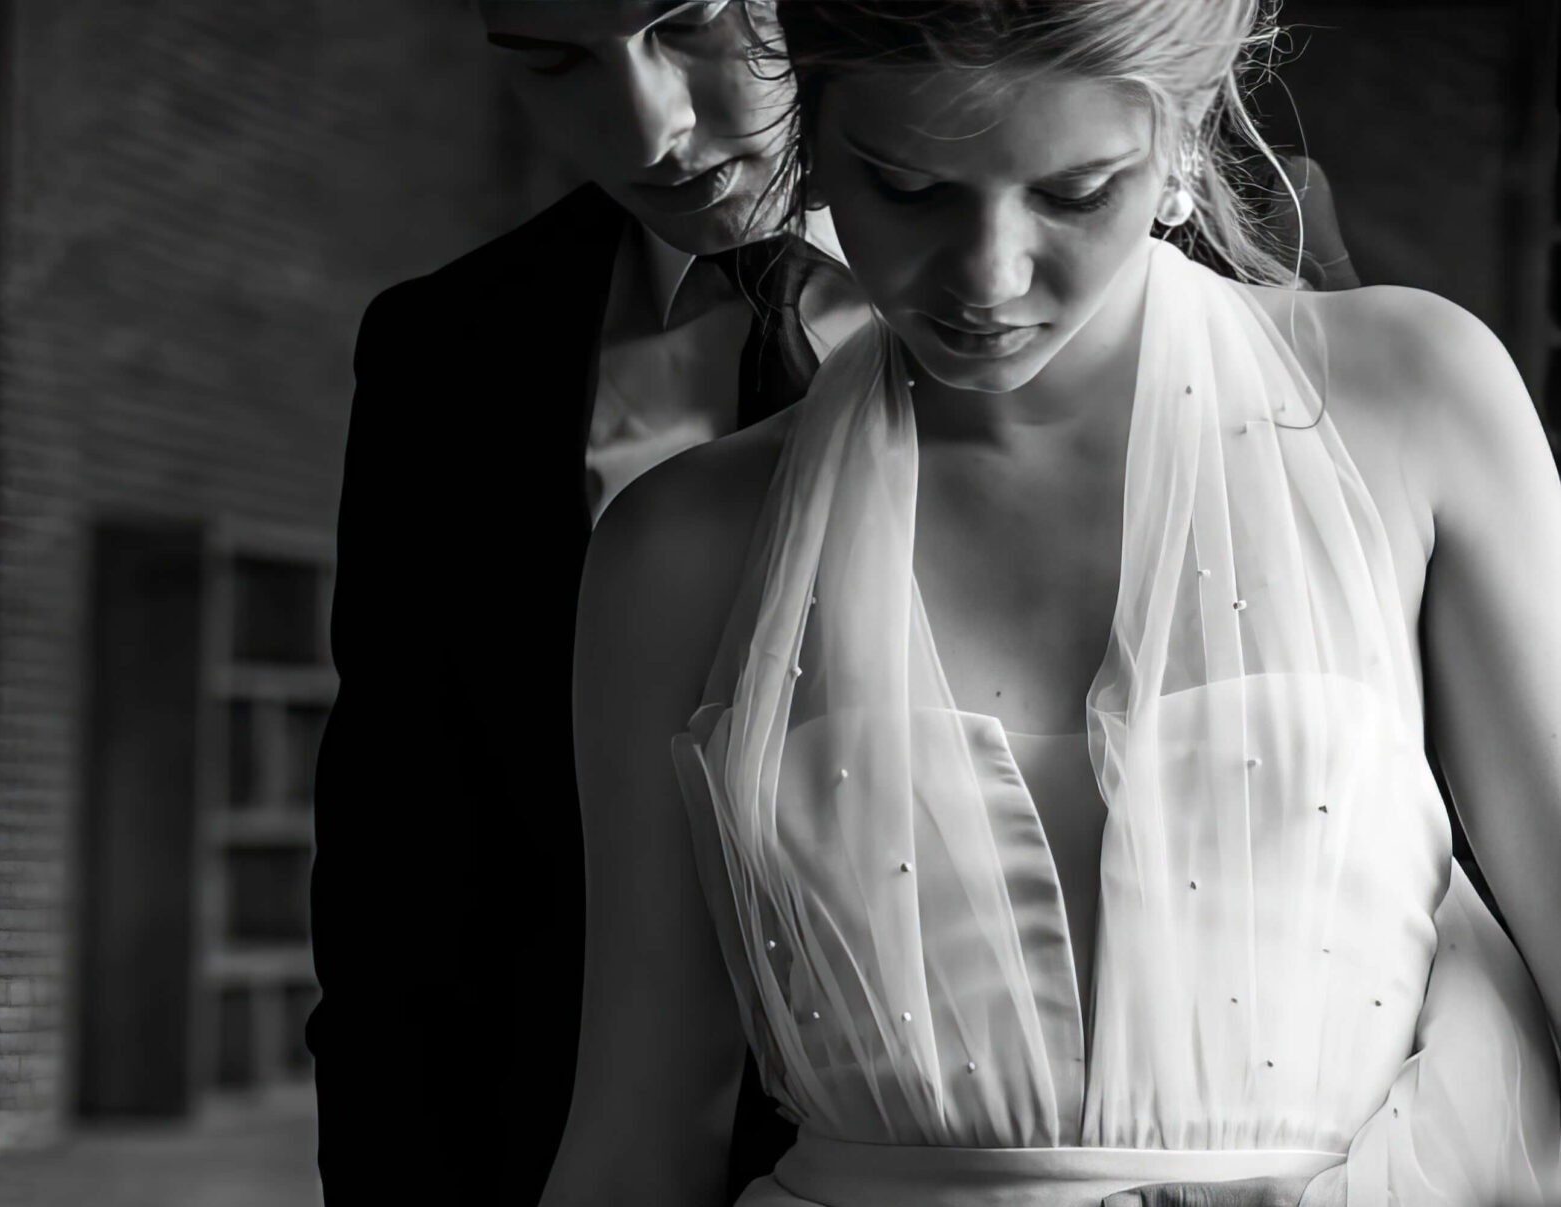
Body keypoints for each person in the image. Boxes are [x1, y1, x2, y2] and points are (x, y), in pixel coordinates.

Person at [555, 3, 1561, 1205]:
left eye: (1075, 192)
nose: (988, 275)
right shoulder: (679, 548)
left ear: (1183, 144)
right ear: (810, 145)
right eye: (908, 189)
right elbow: (636, 1142)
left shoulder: (1414, 402)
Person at [306, 4, 862, 1204]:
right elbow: (401, 869)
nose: (648, 129)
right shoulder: (445, 349)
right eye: (551, 60)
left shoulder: (1137, 260)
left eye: (690, 22)